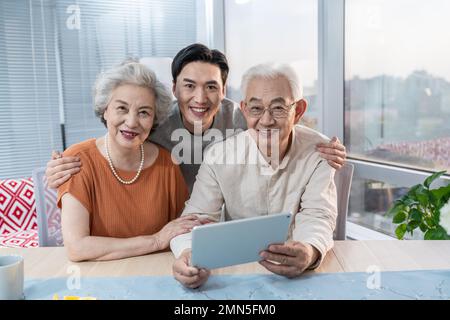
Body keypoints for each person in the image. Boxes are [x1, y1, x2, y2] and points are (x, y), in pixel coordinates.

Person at [45, 44, 347, 192]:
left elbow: (281, 125)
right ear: (174, 87)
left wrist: (322, 145)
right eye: (189, 86)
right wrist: (69, 163)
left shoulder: (241, 116)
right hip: (171, 222)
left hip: (226, 219)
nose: (200, 99)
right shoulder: (156, 120)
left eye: (211, 87)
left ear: (224, 90)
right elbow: (116, 134)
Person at [171, 63, 337, 288]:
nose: (266, 120)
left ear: (298, 111)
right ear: (244, 109)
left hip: (299, 274)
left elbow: (318, 215)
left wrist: (309, 250)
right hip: (235, 273)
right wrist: (188, 255)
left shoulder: (320, 151)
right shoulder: (219, 156)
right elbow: (194, 220)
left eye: (278, 108)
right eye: (256, 109)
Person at [58, 60, 201, 262]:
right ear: (105, 110)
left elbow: (181, 231)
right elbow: (77, 247)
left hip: (156, 273)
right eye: (122, 109)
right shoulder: (78, 160)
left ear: (154, 119)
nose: (132, 122)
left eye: (144, 112)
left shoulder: (167, 163)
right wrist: (155, 241)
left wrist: (187, 256)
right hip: (97, 277)